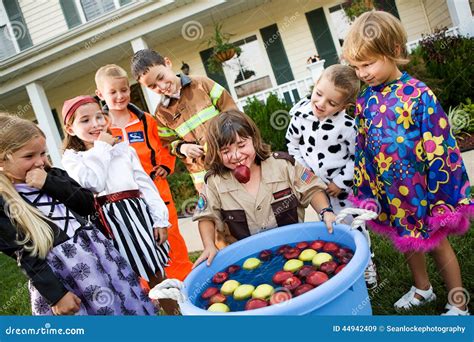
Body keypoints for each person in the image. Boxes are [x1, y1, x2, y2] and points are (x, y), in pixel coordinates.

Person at [343, 10, 472, 315]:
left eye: (368, 64)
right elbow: (363, 148)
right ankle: (422, 289)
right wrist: (366, 190)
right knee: (407, 240)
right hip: (392, 191)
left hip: (424, 189)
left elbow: (440, 145)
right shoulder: (366, 101)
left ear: (395, 52)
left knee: (437, 242)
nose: (362, 73)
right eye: (356, 66)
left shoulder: (417, 95)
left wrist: (441, 192)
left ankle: (459, 302)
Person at [0, 114, 155, 315]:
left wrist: (49, 183)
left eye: (43, 153)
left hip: (99, 256)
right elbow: (24, 254)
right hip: (64, 273)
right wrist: (56, 295)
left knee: (125, 305)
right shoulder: (5, 203)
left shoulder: (54, 175)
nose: (40, 162)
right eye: (29, 156)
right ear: (2, 159)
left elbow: (87, 204)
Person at [60, 96, 177, 313]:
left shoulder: (124, 150)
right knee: (123, 277)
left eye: (98, 117)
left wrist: (160, 219)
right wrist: (102, 147)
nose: (95, 124)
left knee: (155, 271)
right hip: (106, 222)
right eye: (85, 120)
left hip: (137, 215)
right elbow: (94, 183)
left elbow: (145, 185)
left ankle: (175, 315)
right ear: (70, 128)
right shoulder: (73, 159)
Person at [192, 110, 337, 267]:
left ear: (254, 139)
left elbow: (313, 189)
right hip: (248, 263)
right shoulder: (214, 182)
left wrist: (325, 211)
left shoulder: (283, 165)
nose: (236, 155)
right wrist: (209, 245)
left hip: (296, 252)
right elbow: (206, 216)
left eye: (241, 145)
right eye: (225, 151)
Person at [95, 64, 193, 281]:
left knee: (171, 236)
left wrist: (166, 164)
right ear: (100, 94)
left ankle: (184, 280)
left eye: (124, 90)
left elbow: (165, 144)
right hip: (124, 196)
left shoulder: (145, 119)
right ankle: (151, 290)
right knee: (137, 241)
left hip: (156, 188)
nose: (120, 96)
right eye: (113, 92)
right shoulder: (99, 126)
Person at [285, 64, 378, 289]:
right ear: (315, 85)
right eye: (318, 94)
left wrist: (340, 181)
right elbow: (292, 145)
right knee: (329, 225)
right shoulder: (299, 114)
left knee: (354, 225)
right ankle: (341, 262)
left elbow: (358, 156)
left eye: (331, 103)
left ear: (343, 106)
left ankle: (366, 263)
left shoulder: (347, 126)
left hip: (341, 189)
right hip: (316, 186)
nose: (320, 104)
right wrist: (306, 175)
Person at [130, 49, 238, 193]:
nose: (161, 87)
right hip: (204, 178)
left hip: (232, 159)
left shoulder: (202, 84)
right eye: (152, 86)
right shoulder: (161, 114)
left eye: (161, 77)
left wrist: (226, 139)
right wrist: (182, 148)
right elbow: (168, 144)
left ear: (167, 63)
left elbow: (230, 110)